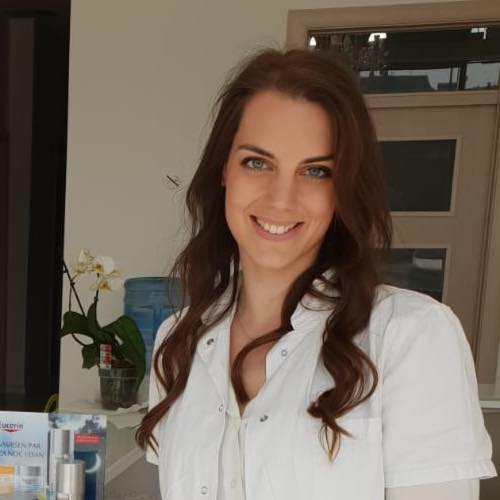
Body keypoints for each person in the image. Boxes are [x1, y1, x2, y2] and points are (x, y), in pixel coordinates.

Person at [136, 48, 497, 500]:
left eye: (316, 171)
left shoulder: (410, 336)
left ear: (344, 189)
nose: (281, 199)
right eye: (257, 162)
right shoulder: (177, 343)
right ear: (224, 170)